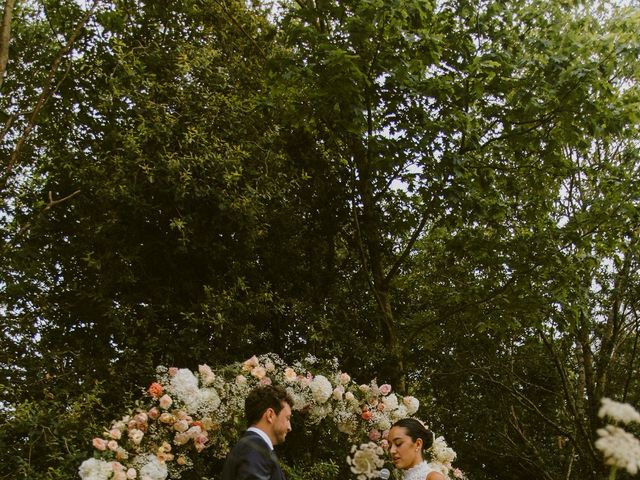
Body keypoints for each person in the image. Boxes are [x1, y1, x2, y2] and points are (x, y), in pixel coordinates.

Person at [221, 384, 294, 480]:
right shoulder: (256, 446)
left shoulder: (249, 445)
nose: (289, 427)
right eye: (287, 418)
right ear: (270, 415)